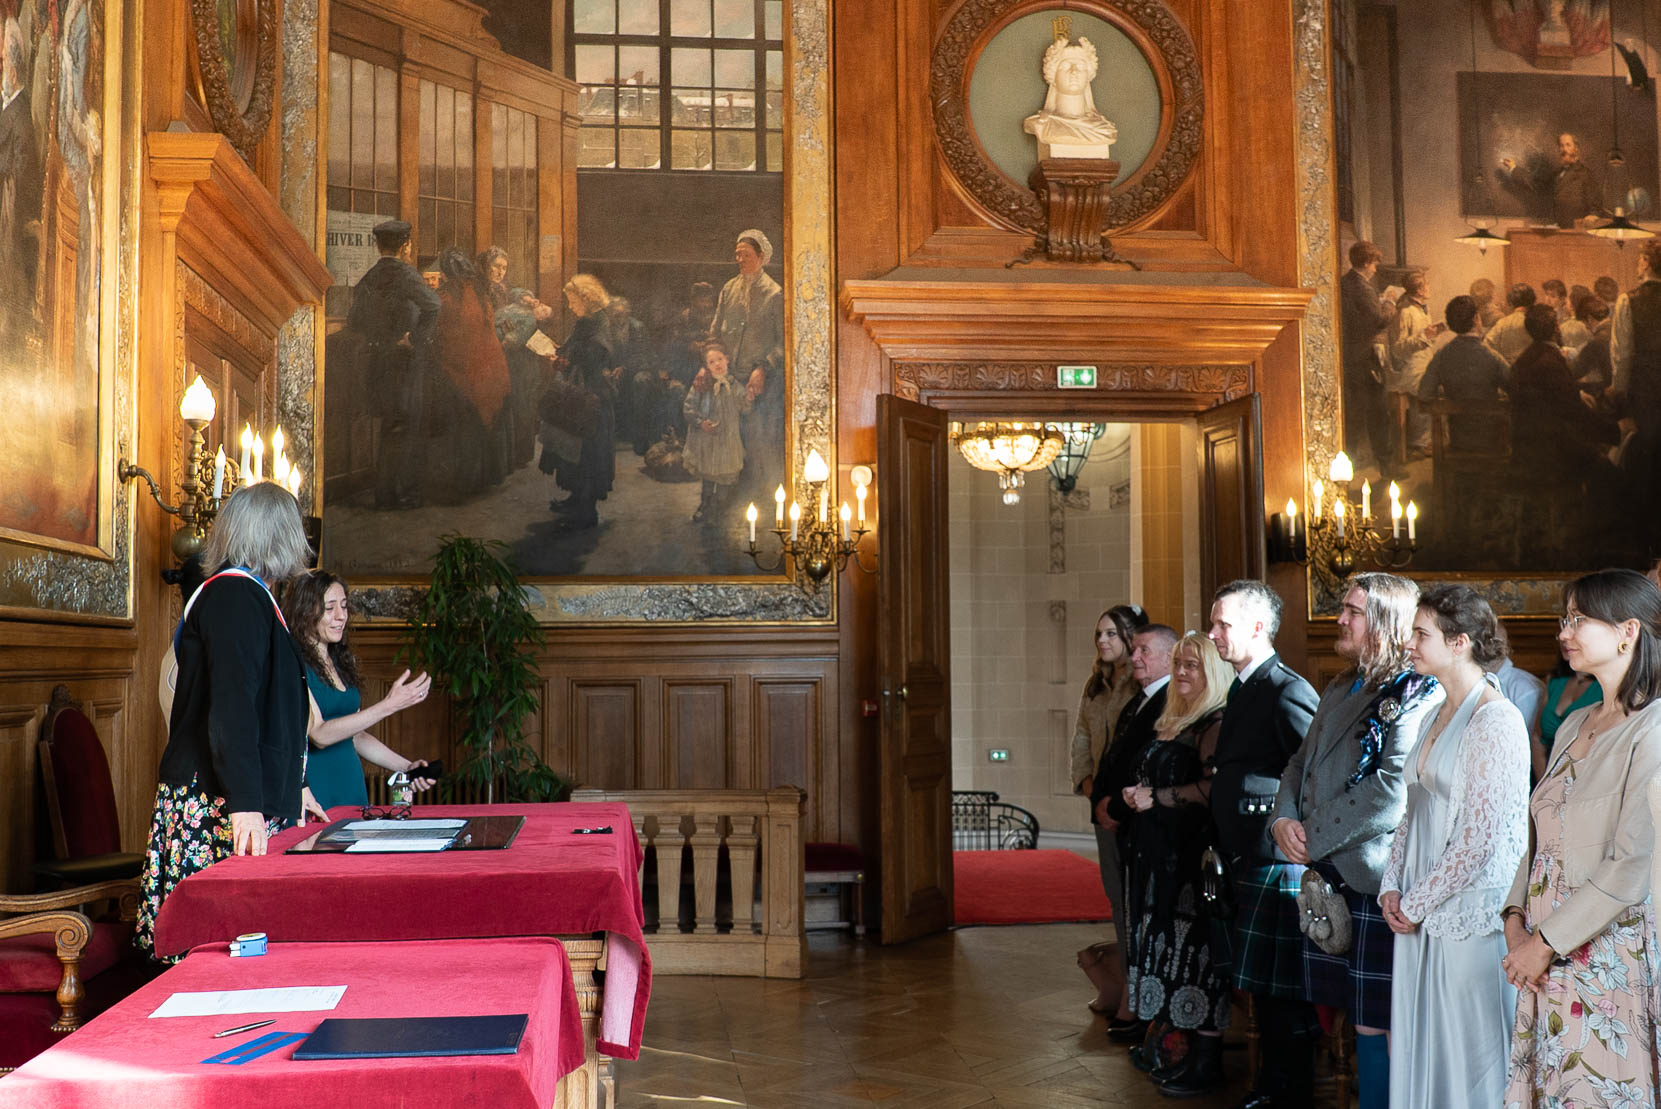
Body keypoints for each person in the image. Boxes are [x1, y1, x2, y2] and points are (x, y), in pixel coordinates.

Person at [1270, 572, 1442, 1109]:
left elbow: (1392, 790)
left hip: (1375, 877)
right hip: (1331, 873)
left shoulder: (1416, 690)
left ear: (1386, 622)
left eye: (1352, 612)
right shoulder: (1339, 685)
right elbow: (1299, 763)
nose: (1339, 620)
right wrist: (1282, 821)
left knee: (1381, 1021)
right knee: (1358, 1019)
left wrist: (1313, 835)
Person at [135, 483, 318, 959]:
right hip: (218, 801)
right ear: (278, 534)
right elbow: (233, 707)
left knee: (241, 946)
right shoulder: (235, 595)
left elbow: (266, 709)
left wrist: (293, 785)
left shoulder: (244, 594)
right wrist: (246, 803)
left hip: (229, 794)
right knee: (214, 948)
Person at [1502, 569, 1661, 1107]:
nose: (1563, 632)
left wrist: (1544, 944)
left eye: (1578, 619)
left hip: (1602, 950)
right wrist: (1514, 921)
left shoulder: (1653, 727)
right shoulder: (1574, 722)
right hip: (1541, 949)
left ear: (1627, 631)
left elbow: (1631, 863)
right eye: (1563, 619)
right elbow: (1539, 829)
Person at [1378, 585, 1529, 1109]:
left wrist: (1416, 902)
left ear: (1460, 641)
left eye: (1421, 634)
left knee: (1471, 1053)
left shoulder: (1497, 719)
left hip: (1466, 910)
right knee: (1424, 1043)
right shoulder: (1433, 712)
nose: (1410, 644)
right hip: (1417, 905)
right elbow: (1412, 808)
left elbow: (1480, 839)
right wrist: (1392, 887)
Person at [1205, 580, 1321, 1109]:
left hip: (1276, 859)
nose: (1213, 633)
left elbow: (1313, 773)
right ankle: (1271, 1087)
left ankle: (1288, 1094)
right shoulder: (1243, 686)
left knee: (1284, 993)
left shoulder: (1285, 688)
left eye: (1222, 624)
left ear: (1256, 627)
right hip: (1249, 856)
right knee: (1266, 990)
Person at [1121, 632, 1234, 1098]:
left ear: (1213, 672)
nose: (1183, 672)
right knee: (1167, 951)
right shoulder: (1174, 717)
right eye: (1180, 664)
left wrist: (1158, 796)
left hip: (1192, 860)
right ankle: (1172, 1049)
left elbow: (1214, 789)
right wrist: (1136, 793)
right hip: (1156, 857)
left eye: (1194, 665)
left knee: (1196, 956)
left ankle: (1205, 1061)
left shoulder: (1215, 721)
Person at [280, 570, 437, 811]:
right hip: (314, 792)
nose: (341, 616)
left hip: (350, 787)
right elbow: (319, 734)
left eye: (344, 606)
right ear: (304, 612)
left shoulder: (341, 662)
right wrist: (389, 705)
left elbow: (357, 736)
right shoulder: (292, 663)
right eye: (330, 608)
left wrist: (406, 767)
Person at [1090, 623, 1177, 1046]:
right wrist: (1099, 800)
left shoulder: (1168, 700)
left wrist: (1116, 807)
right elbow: (1112, 757)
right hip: (1119, 818)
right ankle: (1131, 994)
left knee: (1137, 913)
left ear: (1169, 656)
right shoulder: (1139, 698)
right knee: (1124, 909)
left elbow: (1148, 768)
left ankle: (1137, 1000)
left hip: (1139, 823)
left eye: (1144, 650)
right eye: (1135, 649)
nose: (1134, 656)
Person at [1071, 603, 1150, 1022]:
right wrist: (1091, 790)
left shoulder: (1142, 684)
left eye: (1111, 634)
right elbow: (1082, 739)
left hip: (1133, 806)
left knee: (1135, 898)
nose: (1102, 641)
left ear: (1131, 638)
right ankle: (1123, 985)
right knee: (1115, 896)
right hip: (1101, 803)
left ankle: (1136, 992)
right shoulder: (1095, 685)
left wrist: (1117, 800)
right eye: (1099, 634)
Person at [346, 219, 440, 509]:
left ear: (378, 246)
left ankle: (387, 494)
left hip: (378, 360)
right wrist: (415, 338)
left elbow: (354, 321)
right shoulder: (406, 275)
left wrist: (381, 336)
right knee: (406, 426)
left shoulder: (369, 278)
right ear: (406, 246)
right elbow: (434, 305)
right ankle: (400, 494)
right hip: (403, 362)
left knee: (391, 425)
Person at [1510, 303, 1619, 494]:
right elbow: (1576, 414)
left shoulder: (1522, 361)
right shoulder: (1551, 362)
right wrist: (1614, 432)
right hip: (1553, 454)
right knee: (1611, 472)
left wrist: (1577, 393)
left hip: (1526, 451)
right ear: (1556, 327)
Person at [430, 248, 511, 500]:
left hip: (465, 370)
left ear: (445, 272)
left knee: (465, 426)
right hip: (489, 368)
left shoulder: (445, 296)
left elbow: (442, 334)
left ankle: (466, 482)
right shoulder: (478, 291)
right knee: (482, 424)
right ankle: (485, 478)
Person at [709, 230, 784, 501]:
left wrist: (762, 369)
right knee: (725, 441)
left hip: (762, 383)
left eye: (746, 255)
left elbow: (783, 343)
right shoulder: (729, 289)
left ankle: (758, 502)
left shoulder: (775, 294)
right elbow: (715, 333)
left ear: (762, 257)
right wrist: (712, 365)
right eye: (737, 254)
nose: (740, 259)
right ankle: (724, 502)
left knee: (756, 441)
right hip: (728, 379)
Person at [539, 274, 617, 531]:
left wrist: (568, 360)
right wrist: (559, 353)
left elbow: (598, 354)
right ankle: (575, 499)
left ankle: (586, 510)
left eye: (573, 301)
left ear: (587, 300)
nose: (571, 306)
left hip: (592, 397)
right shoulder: (584, 321)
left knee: (588, 454)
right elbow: (572, 348)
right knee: (572, 449)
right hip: (578, 391)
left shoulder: (601, 322)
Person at [1417, 294, 1511, 455]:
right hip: (1493, 442)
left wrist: (1449, 391)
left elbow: (1424, 394)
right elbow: (1515, 389)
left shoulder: (1442, 355)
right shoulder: (1491, 356)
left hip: (1459, 441)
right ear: (1476, 319)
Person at [1339, 241, 1397, 468]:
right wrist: (1390, 302)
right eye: (1373, 264)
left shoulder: (1345, 282)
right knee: (1377, 411)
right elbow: (1378, 321)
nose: (1374, 269)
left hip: (1350, 355)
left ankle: (1349, 465)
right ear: (1365, 263)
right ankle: (1385, 464)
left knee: (1355, 413)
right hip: (1364, 357)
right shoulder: (1362, 287)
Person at [681, 341, 751, 524]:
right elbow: (688, 408)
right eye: (711, 362)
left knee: (724, 476)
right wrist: (701, 423)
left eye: (720, 359)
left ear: (727, 359)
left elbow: (745, 409)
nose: (717, 364)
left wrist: (749, 398)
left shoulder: (735, 385)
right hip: (708, 441)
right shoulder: (702, 385)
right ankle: (704, 505)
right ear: (706, 366)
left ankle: (718, 509)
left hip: (728, 440)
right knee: (708, 474)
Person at [1023, 36, 1118, 157]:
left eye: (1081, 67)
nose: (1074, 72)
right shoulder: (1041, 124)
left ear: (1088, 76)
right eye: (1065, 67)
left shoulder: (1105, 129)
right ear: (1053, 76)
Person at [1385, 269, 1442, 460]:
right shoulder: (1405, 312)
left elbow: (1424, 342)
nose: (1429, 287)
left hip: (1424, 365)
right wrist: (1423, 337)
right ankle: (1420, 443)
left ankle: (1428, 441)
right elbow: (1398, 349)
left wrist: (1432, 335)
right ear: (1419, 290)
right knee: (1428, 389)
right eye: (1426, 285)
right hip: (1409, 369)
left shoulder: (1423, 310)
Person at [1498, 132, 1600, 228]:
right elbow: (1535, 184)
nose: (1564, 149)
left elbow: (1595, 205)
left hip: (1576, 229)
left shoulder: (1585, 174)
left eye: (1568, 145)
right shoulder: (1558, 173)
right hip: (1557, 227)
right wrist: (1514, 168)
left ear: (1576, 149)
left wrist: (1593, 215)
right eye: (1561, 146)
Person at [1531, 646, 1601, 783]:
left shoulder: (1604, 686)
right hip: (1547, 775)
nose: (1563, 639)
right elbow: (1537, 738)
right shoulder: (1555, 681)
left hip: (1587, 777)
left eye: (1574, 635)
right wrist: (1545, 783)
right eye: (1559, 636)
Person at [1483, 283, 1536, 365]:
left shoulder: (1502, 323)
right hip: (1532, 367)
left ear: (1511, 302)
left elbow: (1486, 346)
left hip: (1509, 369)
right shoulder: (1536, 322)